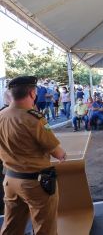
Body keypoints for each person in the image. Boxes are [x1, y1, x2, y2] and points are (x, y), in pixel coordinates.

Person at [0, 76, 66, 235]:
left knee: (11, 227)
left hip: (10, 180)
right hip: (35, 183)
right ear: (32, 93)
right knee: (45, 228)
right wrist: (62, 154)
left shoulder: (1, 115)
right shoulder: (35, 119)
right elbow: (58, 153)